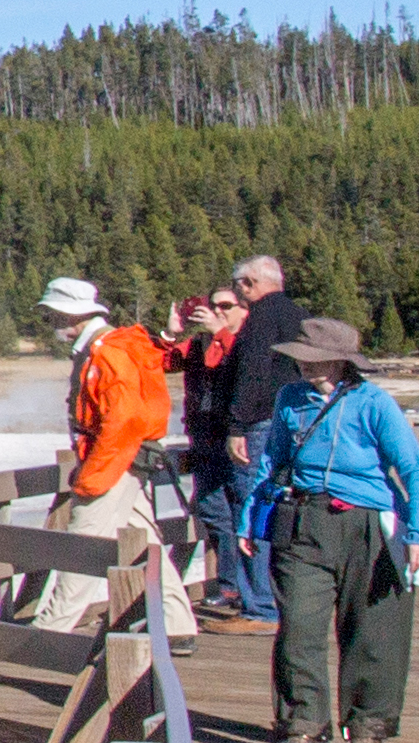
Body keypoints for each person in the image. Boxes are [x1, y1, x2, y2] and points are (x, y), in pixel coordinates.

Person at [245, 317, 419, 743]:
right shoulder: (289, 399)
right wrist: (250, 520)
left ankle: (368, 727)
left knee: (373, 631)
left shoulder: (375, 404)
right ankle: (304, 726)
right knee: (299, 627)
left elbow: (412, 470)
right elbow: (271, 459)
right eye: (301, 361)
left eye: (315, 361)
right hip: (303, 520)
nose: (305, 369)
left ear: (341, 361)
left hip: (367, 525)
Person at [35, 275, 195, 640]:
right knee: (143, 540)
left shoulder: (107, 352)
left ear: (67, 315)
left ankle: (49, 633)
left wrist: (93, 477)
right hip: (125, 460)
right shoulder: (109, 346)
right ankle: (177, 624)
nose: (50, 324)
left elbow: (122, 421)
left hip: (115, 461)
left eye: (51, 315)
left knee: (82, 547)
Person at [203, 255, 300, 621]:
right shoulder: (297, 315)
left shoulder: (261, 318)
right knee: (279, 508)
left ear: (248, 284)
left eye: (239, 287)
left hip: (260, 425)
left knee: (252, 509)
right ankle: (278, 599)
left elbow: (253, 374)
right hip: (293, 424)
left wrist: (237, 426)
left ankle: (259, 606)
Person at [168, 289, 253, 615]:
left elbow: (235, 363)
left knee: (247, 513)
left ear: (243, 311)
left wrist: (219, 331)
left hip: (238, 439)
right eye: (211, 306)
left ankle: (255, 591)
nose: (217, 311)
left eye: (225, 306)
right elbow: (160, 362)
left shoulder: (246, 343)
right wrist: (172, 332)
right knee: (216, 515)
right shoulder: (197, 345)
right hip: (203, 439)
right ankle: (229, 585)